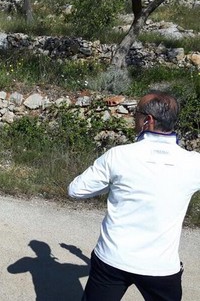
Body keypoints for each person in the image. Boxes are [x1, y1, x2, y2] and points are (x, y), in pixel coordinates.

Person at [68, 91, 200, 301]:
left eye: (136, 113)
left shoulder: (118, 155)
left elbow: (76, 190)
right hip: (161, 267)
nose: (133, 118)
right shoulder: (194, 163)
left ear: (148, 120)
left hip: (112, 259)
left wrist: (113, 184)